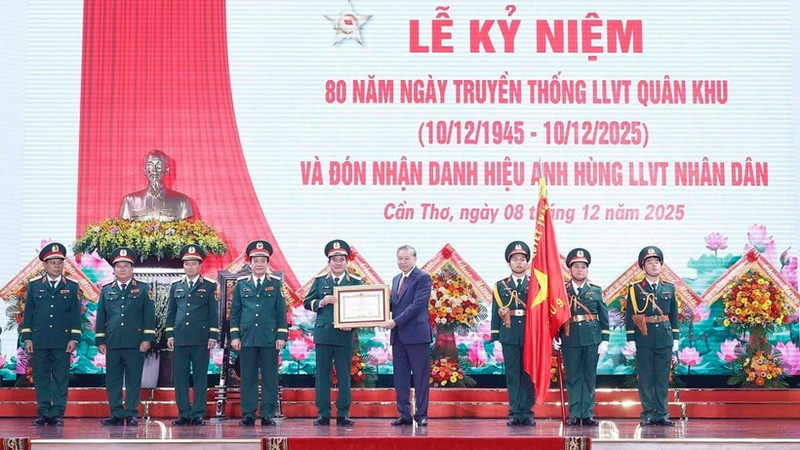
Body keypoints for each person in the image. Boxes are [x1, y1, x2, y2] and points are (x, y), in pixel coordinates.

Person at [20, 243, 81, 426]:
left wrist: (74, 338)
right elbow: (28, 314)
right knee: (41, 376)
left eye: (59, 262)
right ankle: (44, 411)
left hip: (62, 340)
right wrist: (27, 337)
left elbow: (75, 315)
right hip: (39, 339)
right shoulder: (34, 286)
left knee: (61, 377)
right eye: (52, 262)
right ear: (45, 265)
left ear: (63, 264)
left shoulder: (71, 286)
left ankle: (57, 413)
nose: (56, 265)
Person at [304, 240, 363, 426]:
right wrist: (321, 302)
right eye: (334, 259)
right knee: (322, 374)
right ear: (329, 262)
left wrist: (352, 325)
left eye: (341, 259)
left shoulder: (355, 282)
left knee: (345, 374)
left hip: (344, 334)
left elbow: (362, 308)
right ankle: (323, 413)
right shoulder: (320, 281)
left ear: (347, 262)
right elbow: (307, 302)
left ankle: (343, 413)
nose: (338, 263)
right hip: (323, 333)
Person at [229, 240, 288, 426]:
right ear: (250, 263)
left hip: (269, 338)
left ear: (268, 263)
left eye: (263, 260)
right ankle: (248, 413)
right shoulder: (241, 285)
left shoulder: (276, 284)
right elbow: (235, 312)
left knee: (270, 376)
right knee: (248, 376)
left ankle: (268, 413)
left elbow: (281, 312)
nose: (259, 264)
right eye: (256, 260)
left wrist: (281, 336)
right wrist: (235, 336)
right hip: (246, 337)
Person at [95, 247, 155, 426]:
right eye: (119, 266)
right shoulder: (106, 291)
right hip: (113, 342)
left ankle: (131, 412)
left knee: (133, 379)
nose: (122, 269)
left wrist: (147, 339)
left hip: (135, 342)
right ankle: (116, 412)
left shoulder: (143, 289)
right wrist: (100, 340)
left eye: (126, 266)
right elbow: (101, 317)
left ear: (132, 269)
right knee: (112, 379)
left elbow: (149, 316)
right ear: (113, 269)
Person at [166, 244, 220, 426]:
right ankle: (183, 412)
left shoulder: (210, 286)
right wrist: (170, 335)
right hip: (180, 337)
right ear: (184, 265)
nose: (190, 267)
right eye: (187, 263)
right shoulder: (176, 286)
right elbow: (171, 313)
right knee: (180, 377)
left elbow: (214, 313)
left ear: (199, 266)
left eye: (193, 264)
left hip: (201, 338)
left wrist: (213, 335)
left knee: (199, 377)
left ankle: (197, 413)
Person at [554, 248, 609, 426]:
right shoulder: (562, 291)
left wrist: (605, 340)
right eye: (576, 266)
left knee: (589, 376)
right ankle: (575, 413)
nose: (580, 270)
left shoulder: (596, 290)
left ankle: (587, 414)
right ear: (570, 269)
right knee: (573, 377)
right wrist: (555, 335)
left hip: (592, 339)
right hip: (569, 339)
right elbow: (555, 314)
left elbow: (604, 317)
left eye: (583, 267)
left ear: (587, 269)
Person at [626, 246, 679, 427]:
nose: (654, 265)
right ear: (643, 266)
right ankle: (648, 413)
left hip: (664, 337)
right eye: (650, 262)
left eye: (657, 262)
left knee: (662, 378)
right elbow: (630, 314)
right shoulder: (634, 289)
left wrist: (676, 338)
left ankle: (662, 413)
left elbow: (673, 315)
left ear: (662, 265)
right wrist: (631, 339)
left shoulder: (669, 287)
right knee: (646, 377)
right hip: (644, 336)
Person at [381, 245, 433, 427]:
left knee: (420, 378)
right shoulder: (396, 279)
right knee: (400, 378)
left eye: (406, 258)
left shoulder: (423, 278)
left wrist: (395, 322)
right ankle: (404, 414)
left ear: (414, 259)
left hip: (417, 336)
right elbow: (393, 304)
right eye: (400, 258)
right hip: (399, 337)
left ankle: (421, 415)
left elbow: (417, 306)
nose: (403, 262)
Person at [490, 241, 536, 427]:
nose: (519, 263)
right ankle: (515, 412)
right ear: (509, 263)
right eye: (515, 259)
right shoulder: (501, 286)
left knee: (527, 374)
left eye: (522, 259)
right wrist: (495, 337)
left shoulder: (535, 284)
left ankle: (527, 411)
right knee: (512, 374)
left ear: (527, 263)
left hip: (530, 334)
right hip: (509, 334)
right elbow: (495, 312)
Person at [119, 149, 194, 221]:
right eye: (150, 165)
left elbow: (186, 229)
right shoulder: (130, 201)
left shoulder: (182, 201)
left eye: (159, 165)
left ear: (167, 170)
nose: (154, 170)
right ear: (144, 170)